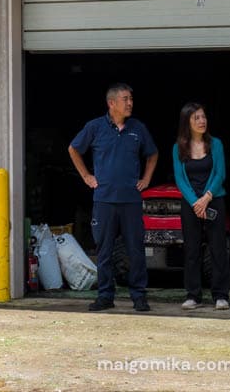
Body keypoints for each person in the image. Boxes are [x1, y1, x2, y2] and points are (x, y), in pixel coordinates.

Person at [68, 83, 158, 312]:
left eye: (131, 99)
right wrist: (87, 176)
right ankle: (105, 296)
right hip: (104, 200)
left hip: (131, 200)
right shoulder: (95, 127)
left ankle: (139, 296)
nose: (130, 103)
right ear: (112, 103)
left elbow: (153, 154)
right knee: (104, 250)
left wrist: (146, 179)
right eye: (125, 99)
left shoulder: (138, 128)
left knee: (135, 249)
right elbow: (74, 149)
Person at [172, 101, 230, 310]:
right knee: (192, 249)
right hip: (191, 204)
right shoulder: (178, 148)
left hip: (213, 200)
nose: (202, 121)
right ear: (187, 121)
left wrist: (206, 198)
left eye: (203, 117)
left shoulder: (216, 144)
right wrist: (195, 202)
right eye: (196, 117)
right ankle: (193, 295)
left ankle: (221, 295)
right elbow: (180, 179)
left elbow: (220, 173)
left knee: (217, 248)